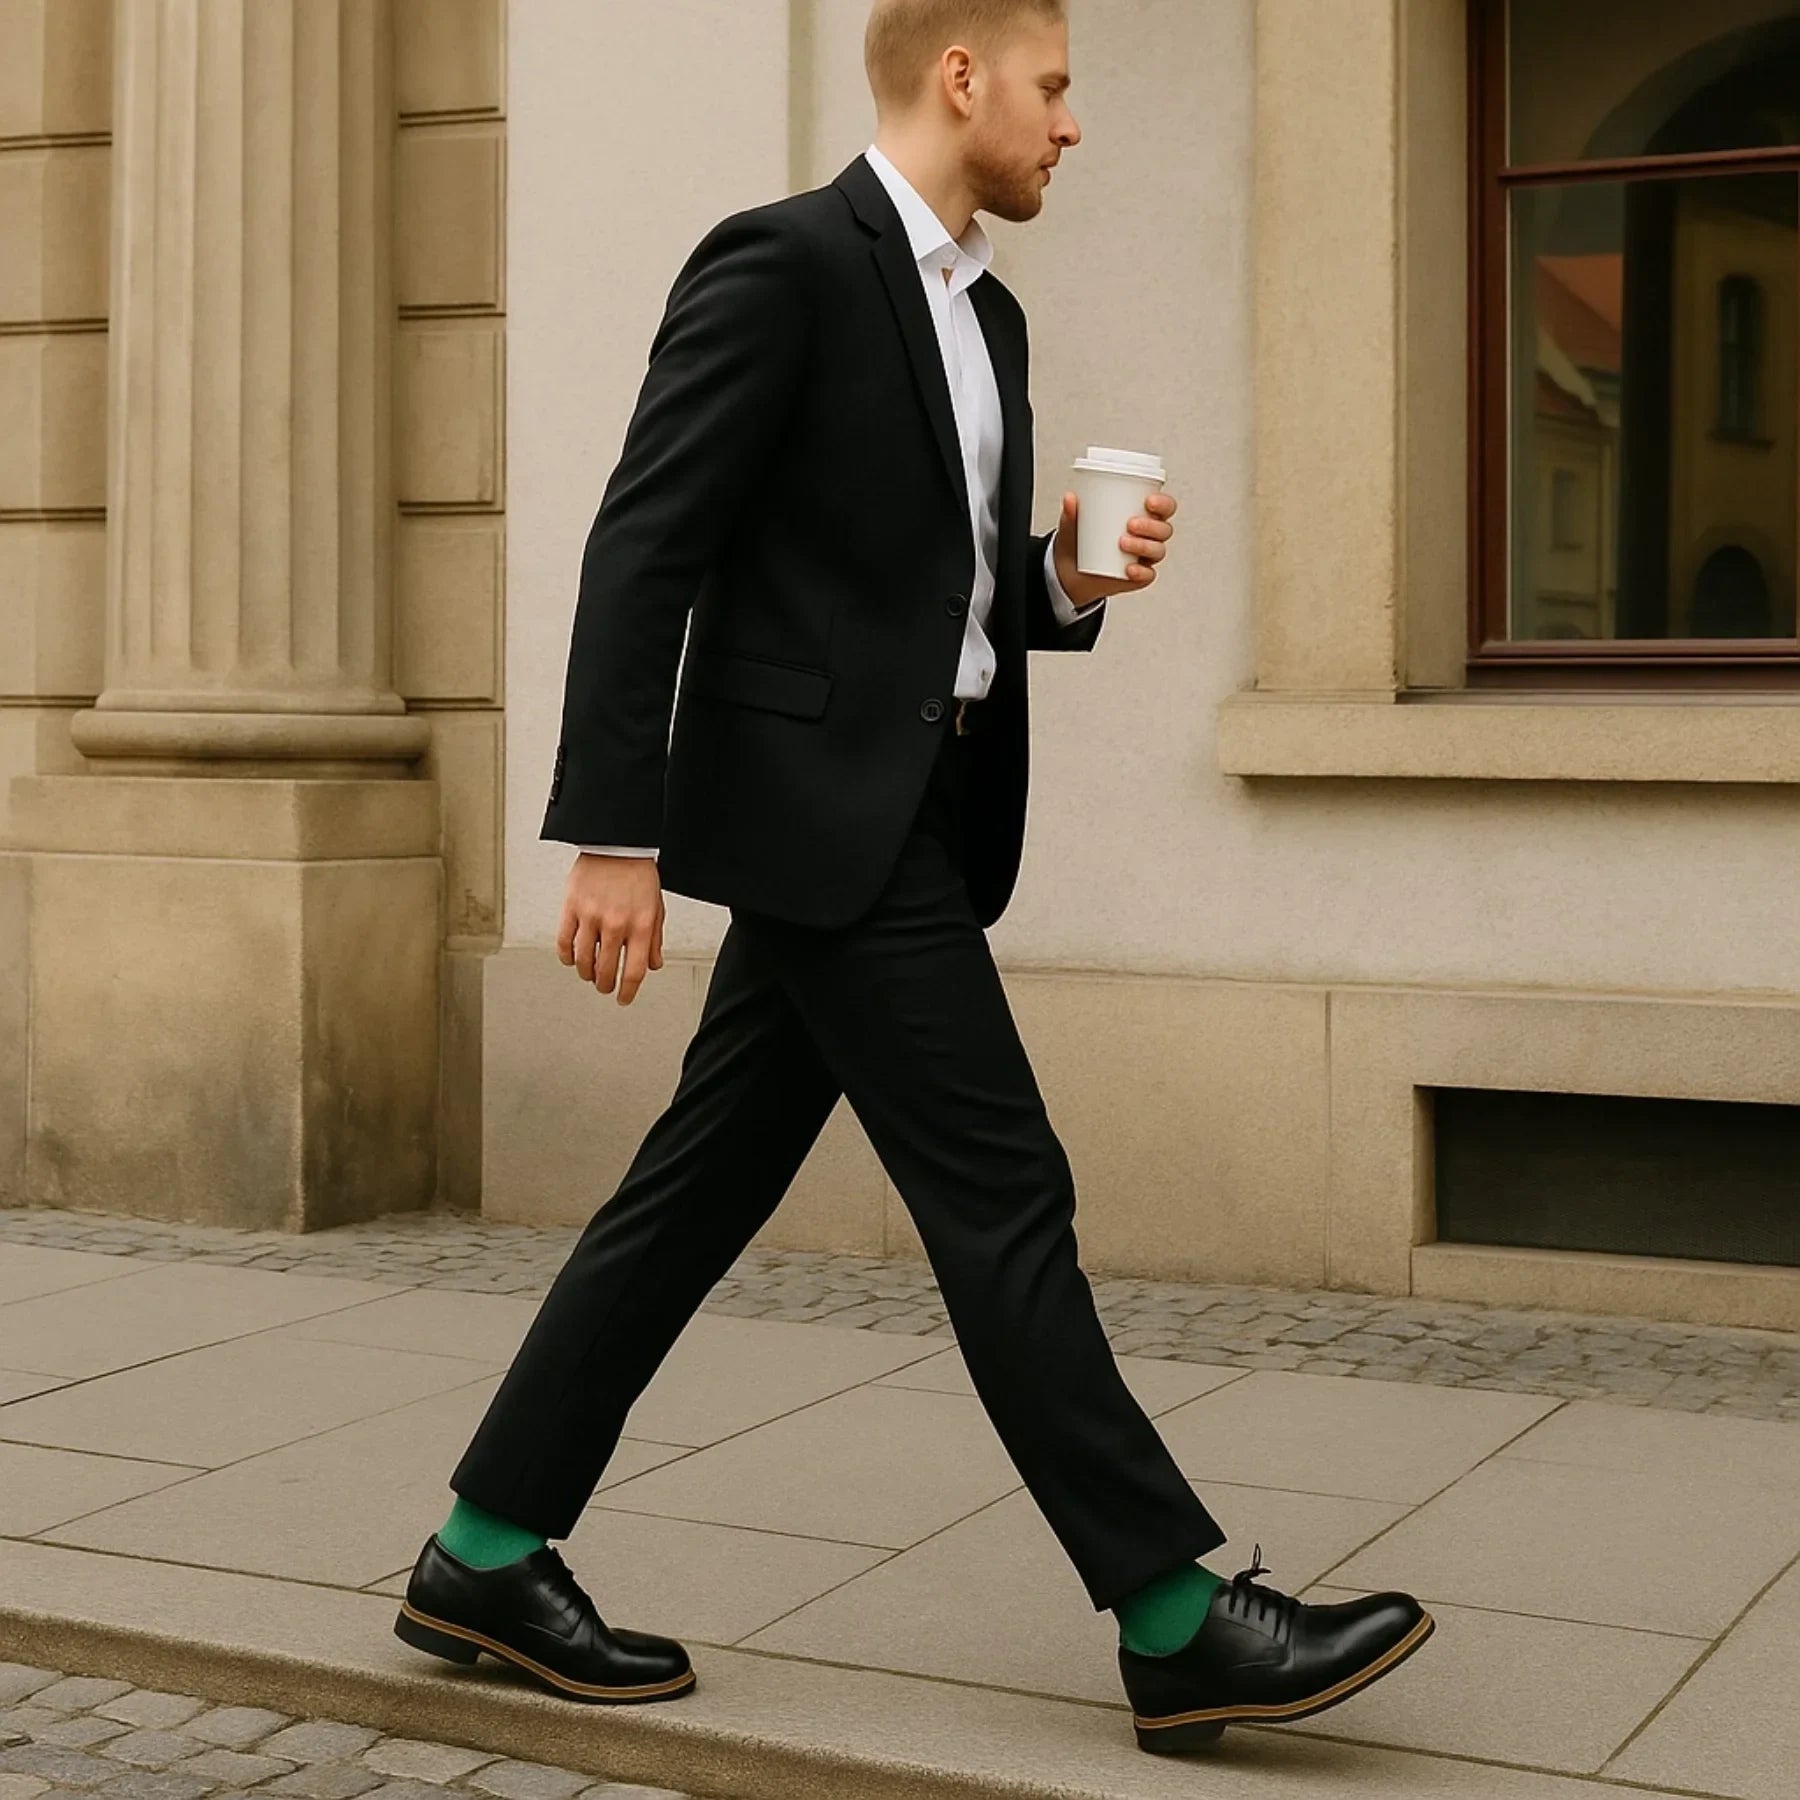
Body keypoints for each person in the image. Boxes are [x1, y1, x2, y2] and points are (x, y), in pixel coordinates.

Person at [393, 0, 1433, 1754]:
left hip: (915, 812)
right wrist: (614, 835)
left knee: (691, 1199)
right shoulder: (784, 264)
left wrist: (1065, 584)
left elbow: (922, 599)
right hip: (828, 827)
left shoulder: (991, 315)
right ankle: (1173, 1614)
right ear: (963, 77)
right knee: (1004, 1189)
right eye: (1054, 86)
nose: (1070, 124)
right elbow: (647, 543)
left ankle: (485, 1551)